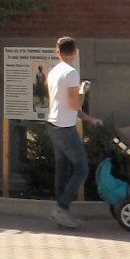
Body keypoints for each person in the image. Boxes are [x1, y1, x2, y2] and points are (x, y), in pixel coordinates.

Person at [44, 35, 96, 229]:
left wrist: (90, 119)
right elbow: (74, 103)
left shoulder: (54, 71)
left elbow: (64, 104)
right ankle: (61, 209)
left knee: (62, 169)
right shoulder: (72, 73)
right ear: (74, 52)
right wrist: (83, 91)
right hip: (65, 128)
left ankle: (60, 211)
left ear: (58, 52)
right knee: (82, 168)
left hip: (53, 125)